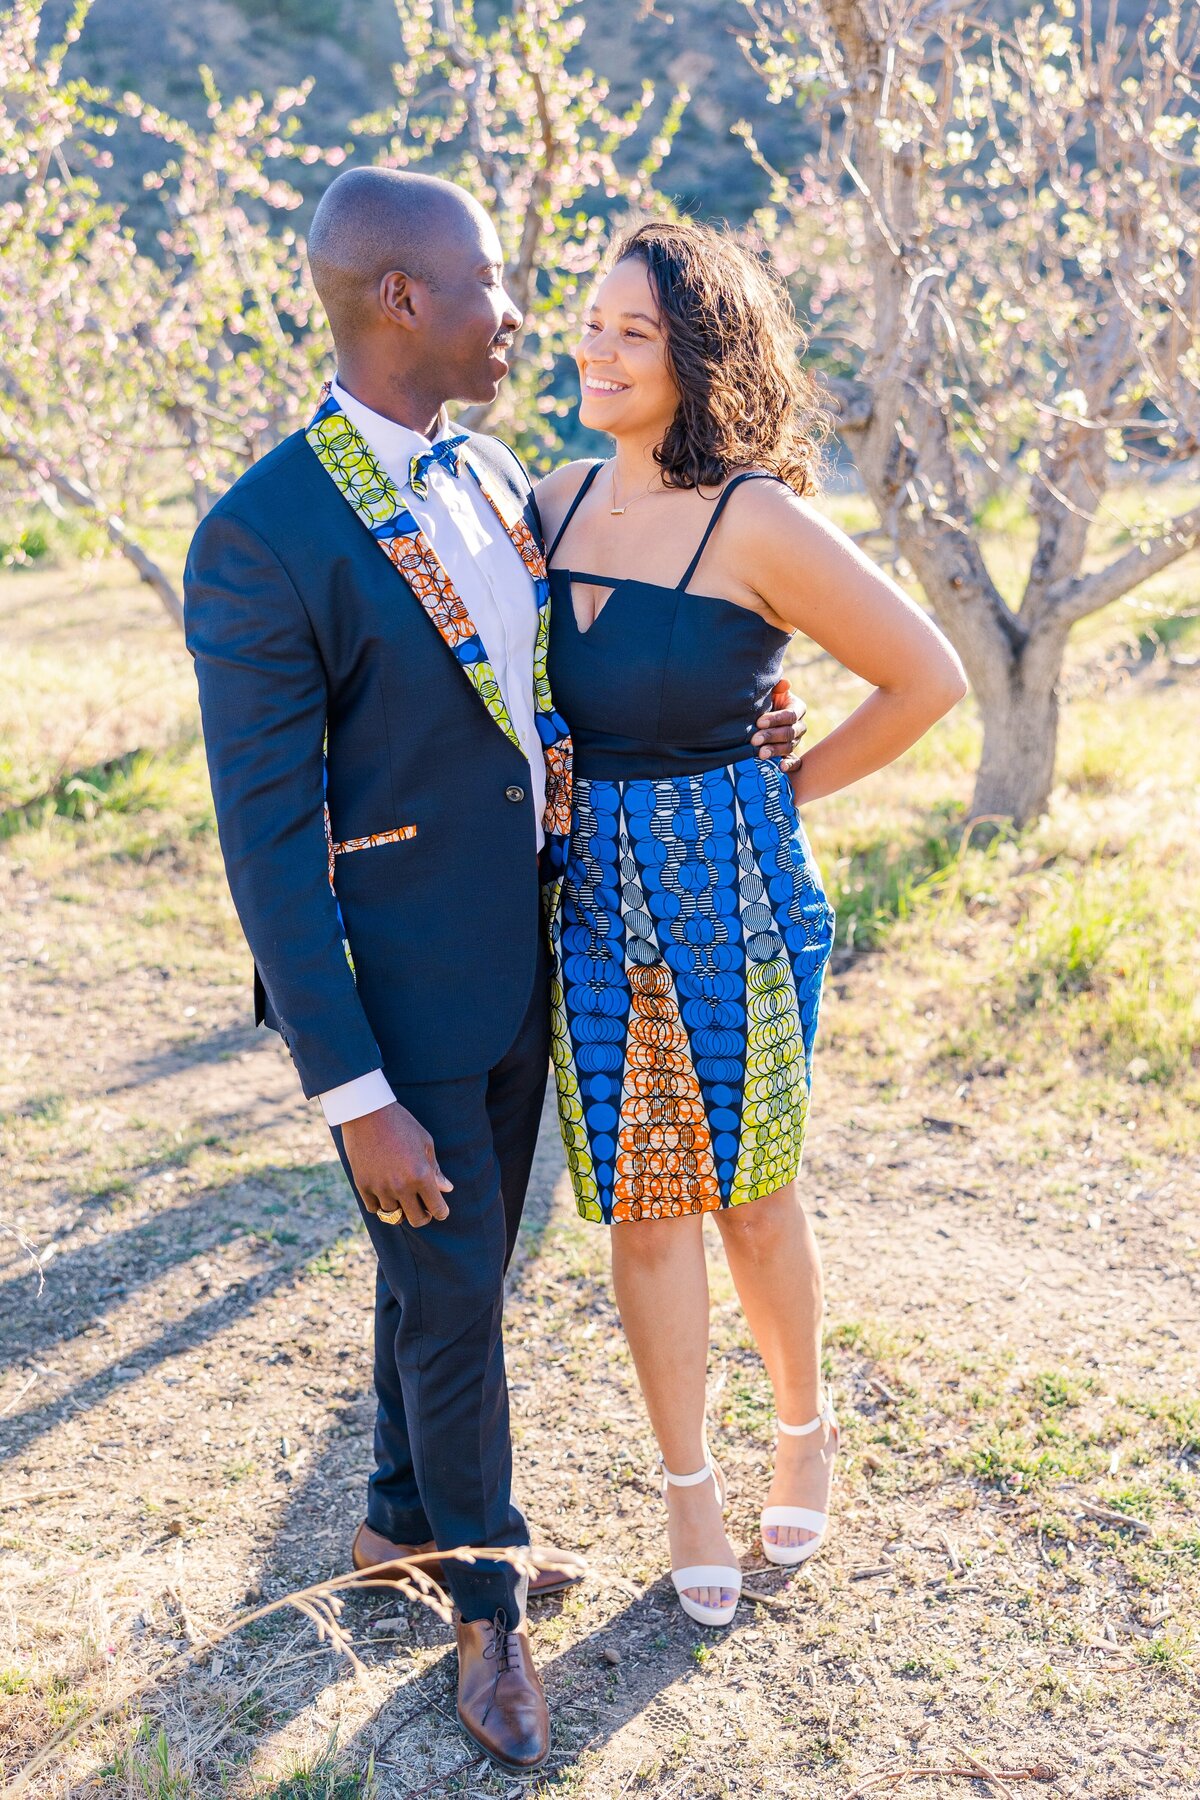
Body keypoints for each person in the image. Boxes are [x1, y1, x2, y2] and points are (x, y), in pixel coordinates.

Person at [184, 172, 802, 1770]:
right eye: (484, 281)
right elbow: (268, 852)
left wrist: (742, 734)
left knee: (438, 1278)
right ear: (399, 300)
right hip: (398, 999)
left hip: (535, 960)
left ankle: (398, 1520)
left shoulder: (493, 474)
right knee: (459, 1297)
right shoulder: (262, 536)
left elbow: (545, 699)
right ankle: (487, 1604)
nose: (517, 312)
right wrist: (354, 1093)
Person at [537, 221, 967, 1628]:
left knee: (750, 1193)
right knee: (645, 1206)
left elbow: (926, 676)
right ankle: (688, 1487)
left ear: (696, 355)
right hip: (597, 899)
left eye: (632, 333)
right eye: (591, 323)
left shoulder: (757, 519)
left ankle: (805, 1427)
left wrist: (789, 787)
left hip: (734, 897)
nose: (596, 351)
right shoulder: (542, 506)